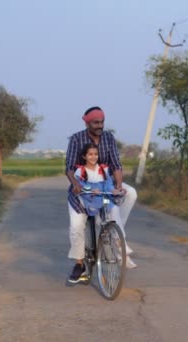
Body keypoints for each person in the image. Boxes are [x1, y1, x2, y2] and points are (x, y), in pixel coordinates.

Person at [66, 106, 138, 285]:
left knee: (130, 194)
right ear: (87, 123)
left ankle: (113, 234)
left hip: (105, 186)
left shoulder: (109, 138)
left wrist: (118, 186)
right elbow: (69, 167)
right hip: (83, 190)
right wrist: (76, 185)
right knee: (76, 226)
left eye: (102, 122)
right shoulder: (76, 139)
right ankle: (79, 264)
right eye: (96, 122)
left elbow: (116, 164)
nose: (100, 125)